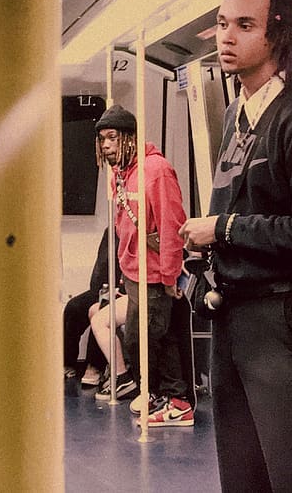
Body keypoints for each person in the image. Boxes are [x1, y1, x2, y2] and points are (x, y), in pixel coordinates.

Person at [179, 0, 292, 492]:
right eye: (223, 23)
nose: (226, 37)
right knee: (244, 478)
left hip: (283, 322)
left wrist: (223, 229)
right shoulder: (237, 115)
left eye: (244, 25)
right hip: (232, 318)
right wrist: (202, 268)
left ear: (278, 36)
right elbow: (231, 203)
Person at [95, 105, 192, 426]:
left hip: (155, 274)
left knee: (155, 337)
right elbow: (124, 227)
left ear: (130, 139)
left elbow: (171, 224)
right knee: (138, 338)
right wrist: (124, 271)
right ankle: (157, 392)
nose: (106, 146)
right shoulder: (121, 175)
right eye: (102, 140)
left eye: (113, 138)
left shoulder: (156, 170)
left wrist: (170, 275)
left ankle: (177, 401)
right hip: (133, 273)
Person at [63, 227, 121, 386]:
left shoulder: (136, 230)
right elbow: (101, 268)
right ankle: (67, 362)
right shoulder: (112, 230)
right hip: (102, 289)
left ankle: (95, 366)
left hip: (124, 290)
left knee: (100, 310)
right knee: (73, 307)